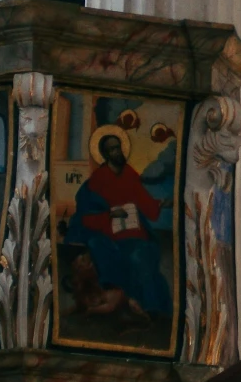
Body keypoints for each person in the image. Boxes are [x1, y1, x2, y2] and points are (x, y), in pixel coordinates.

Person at [70, 128, 171, 321]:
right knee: (111, 252)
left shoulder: (130, 175)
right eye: (113, 149)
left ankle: (152, 308)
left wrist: (162, 203)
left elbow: (147, 205)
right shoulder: (97, 181)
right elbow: (85, 216)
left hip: (135, 235)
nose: (118, 152)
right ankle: (122, 304)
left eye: (119, 147)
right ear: (106, 154)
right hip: (109, 235)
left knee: (141, 258)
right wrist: (109, 214)